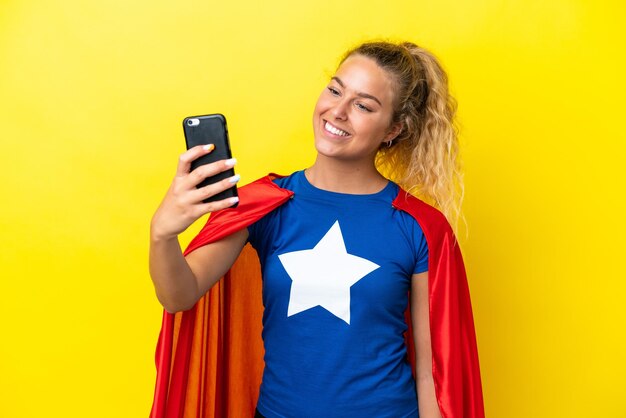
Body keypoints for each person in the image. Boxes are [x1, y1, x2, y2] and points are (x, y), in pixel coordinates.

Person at [149, 41, 484, 418]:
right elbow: (179, 295)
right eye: (335, 89)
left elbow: (430, 373)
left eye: (363, 105)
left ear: (393, 129)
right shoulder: (267, 204)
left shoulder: (419, 226)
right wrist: (162, 234)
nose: (337, 111)